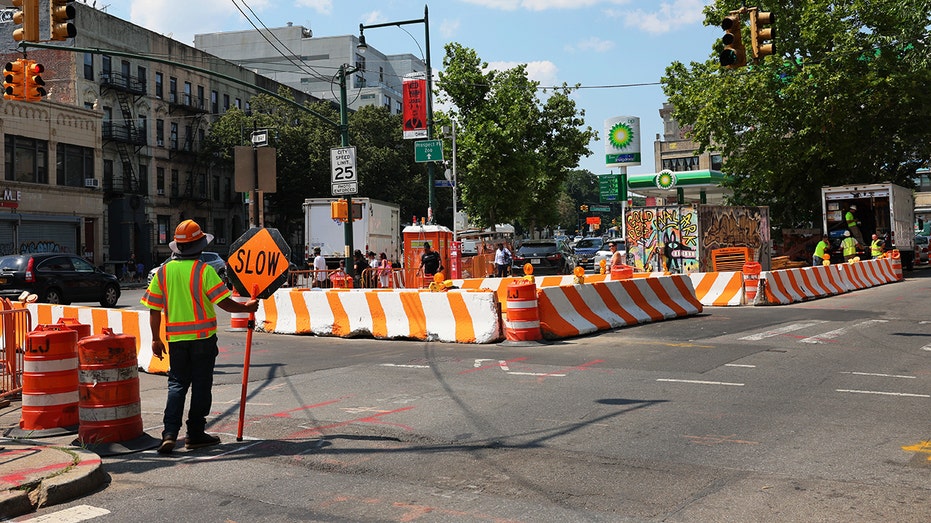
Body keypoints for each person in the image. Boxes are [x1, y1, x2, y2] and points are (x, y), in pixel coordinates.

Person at [141, 219, 259, 455]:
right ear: (199, 247)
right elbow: (224, 303)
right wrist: (247, 307)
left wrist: (155, 339)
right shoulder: (204, 271)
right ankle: (195, 434)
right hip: (203, 340)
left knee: (176, 385)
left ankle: (169, 434)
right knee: (201, 386)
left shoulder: (163, 272)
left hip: (176, 341)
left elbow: (154, 308)